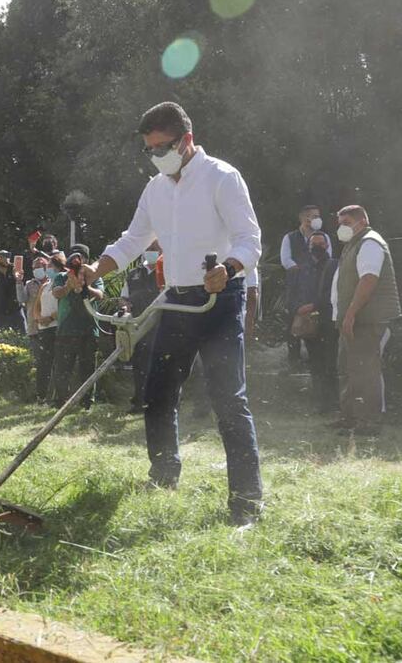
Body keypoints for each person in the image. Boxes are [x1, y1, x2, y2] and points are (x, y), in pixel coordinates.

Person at [81, 102, 263, 526]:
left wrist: (229, 269)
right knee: (158, 393)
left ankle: (247, 504)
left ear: (187, 140)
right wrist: (95, 269)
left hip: (220, 300)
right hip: (176, 302)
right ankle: (164, 474)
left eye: (162, 147)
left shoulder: (222, 177)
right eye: (149, 150)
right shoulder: (156, 189)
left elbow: (249, 239)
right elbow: (133, 241)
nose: (156, 156)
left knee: (228, 401)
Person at [330, 205, 402, 435]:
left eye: (346, 221)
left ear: (361, 221)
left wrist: (350, 314)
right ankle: (350, 418)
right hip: (355, 320)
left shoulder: (370, 242)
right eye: (340, 222)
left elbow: (369, 280)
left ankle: (369, 423)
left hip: (367, 320)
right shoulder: (354, 244)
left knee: (365, 371)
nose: (342, 227)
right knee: (349, 369)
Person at [52, 244, 104, 410]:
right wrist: (69, 284)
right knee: (63, 368)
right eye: (74, 256)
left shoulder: (95, 276)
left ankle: (87, 403)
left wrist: (84, 286)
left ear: (87, 260)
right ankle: (61, 402)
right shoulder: (61, 276)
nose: (77, 260)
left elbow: (100, 295)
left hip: (89, 329)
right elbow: (56, 293)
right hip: (66, 329)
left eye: (80, 257)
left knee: (87, 368)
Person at [292, 231, 339, 413]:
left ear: (327, 245)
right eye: (313, 244)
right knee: (315, 363)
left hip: (328, 322)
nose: (317, 246)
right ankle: (320, 403)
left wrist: (313, 305)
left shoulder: (334, 265)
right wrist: (297, 308)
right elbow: (296, 291)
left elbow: (334, 294)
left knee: (329, 363)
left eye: (320, 243)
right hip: (309, 323)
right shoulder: (303, 268)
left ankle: (332, 403)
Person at [281, 205, 333, 369]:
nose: (317, 218)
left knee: (318, 325)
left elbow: (328, 259)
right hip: (296, 287)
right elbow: (286, 261)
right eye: (313, 216)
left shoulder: (324, 237)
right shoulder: (290, 237)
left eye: (318, 215)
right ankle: (294, 363)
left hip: (318, 286)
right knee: (293, 326)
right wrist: (304, 269)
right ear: (304, 218)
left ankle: (317, 362)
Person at [120, 243, 163, 414]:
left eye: (154, 249)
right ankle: (139, 401)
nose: (150, 252)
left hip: (161, 325)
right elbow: (124, 298)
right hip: (137, 327)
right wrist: (124, 307)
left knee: (160, 364)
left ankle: (160, 402)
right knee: (140, 364)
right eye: (148, 248)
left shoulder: (167, 271)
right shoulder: (134, 273)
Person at [16, 255, 50, 402]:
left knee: (51, 361)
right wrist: (18, 281)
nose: (37, 269)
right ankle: (41, 395)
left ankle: (52, 393)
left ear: (46, 267)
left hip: (50, 326)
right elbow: (21, 299)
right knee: (40, 362)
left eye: (40, 266)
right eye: (34, 267)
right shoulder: (30, 284)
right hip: (34, 328)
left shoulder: (52, 282)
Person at [32, 252, 63, 403]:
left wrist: (50, 318)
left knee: (59, 364)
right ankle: (41, 396)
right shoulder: (45, 285)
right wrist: (39, 318)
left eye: (50, 265)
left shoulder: (63, 283)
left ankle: (58, 397)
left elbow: (65, 307)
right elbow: (36, 307)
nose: (47, 268)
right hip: (43, 329)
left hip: (57, 328)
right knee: (43, 364)